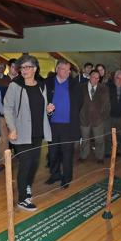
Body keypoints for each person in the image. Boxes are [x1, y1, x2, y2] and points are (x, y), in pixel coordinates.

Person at [3, 55, 53, 211]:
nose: (24, 70)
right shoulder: (15, 86)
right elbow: (8, 108)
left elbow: (41, 108)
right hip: (21, 132)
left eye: (27, 67)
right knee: (25, 165)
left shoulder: (41, 86)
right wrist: (12, 128)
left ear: (35, 69)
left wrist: (48, 110)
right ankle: (22, 199)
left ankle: (27, 187)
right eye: (22, 67)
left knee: (34, 164)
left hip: (37, 132)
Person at [44, 60, 82, 189]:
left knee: (67, 153)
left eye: (69, 70)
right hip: (52, 125)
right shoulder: (48, 83)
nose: (67, 72)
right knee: (53, 152)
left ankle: (66, 178)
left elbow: (79, 103)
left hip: (68, 126)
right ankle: (54, 175)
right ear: (57, 69)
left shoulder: (74, 84)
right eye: (64, 69)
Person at [79, 70, 110, 163]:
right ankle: (83, 156)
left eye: (98, 78)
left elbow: (107, 105)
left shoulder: (104, 88)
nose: (95, 80)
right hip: (84, 119)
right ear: (89, 77)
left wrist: (103, 117)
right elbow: (77, 103)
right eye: (93, 77)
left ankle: (100, 157)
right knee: (85, 140)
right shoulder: (81, 87)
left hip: (98, 120)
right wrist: (79, 115)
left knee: (99, 140)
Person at [0, 58, 18, 173]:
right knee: (4, 140)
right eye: (13, 67)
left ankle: (19, 159)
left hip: (18, 117)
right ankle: (3, 162)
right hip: (4, 116)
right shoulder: (1, 81)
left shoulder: (21, 81)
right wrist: (4, 112)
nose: (15, 69)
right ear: (9, 67)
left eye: (17, 67)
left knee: (18, 138)